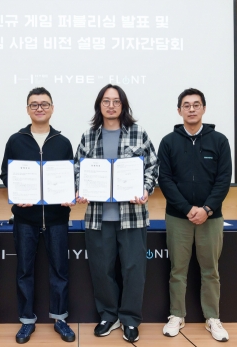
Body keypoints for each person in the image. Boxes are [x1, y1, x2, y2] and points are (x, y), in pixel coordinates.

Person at [74, 84, 158, 343]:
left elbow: (152, 167)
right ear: (99, 105)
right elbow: (78, 168)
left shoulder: (138, 133)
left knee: (134, 269)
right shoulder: (89, 136)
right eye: (106, 101)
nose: (111, 105)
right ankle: (108, 316)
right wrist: (81, 188)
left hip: (132, 215)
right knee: (102, 269)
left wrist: (145, 189)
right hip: (99, 218)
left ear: (123, 105)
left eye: (116, 101)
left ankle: (130, 320)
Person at [0, 87, 76, 344]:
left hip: (56, 218)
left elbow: (71, 177)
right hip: (25, 218)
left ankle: (60, 319)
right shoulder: (16, 140)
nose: (39, 108)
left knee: (60, 270)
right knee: (24, 271)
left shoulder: (63, 142)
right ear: (28, 109)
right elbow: (6, 173)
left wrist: (71, 193)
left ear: (52, 108)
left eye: (44, 104)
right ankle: (26, 321)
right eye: (34, 104)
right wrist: (16, 192)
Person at [158, 88, 232, 342]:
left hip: (211, 217)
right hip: (179, 217)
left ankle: (212, 318)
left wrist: (207, 209)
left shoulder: (219, 140)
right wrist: (188, 209)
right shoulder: (169, 141)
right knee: (177, 269)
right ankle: (177, 315)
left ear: (203, 109)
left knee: (210, 270)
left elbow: (223, 180)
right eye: (186, 105)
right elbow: (165, 180)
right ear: (179, 110)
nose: (191, 109)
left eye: (196, 105)